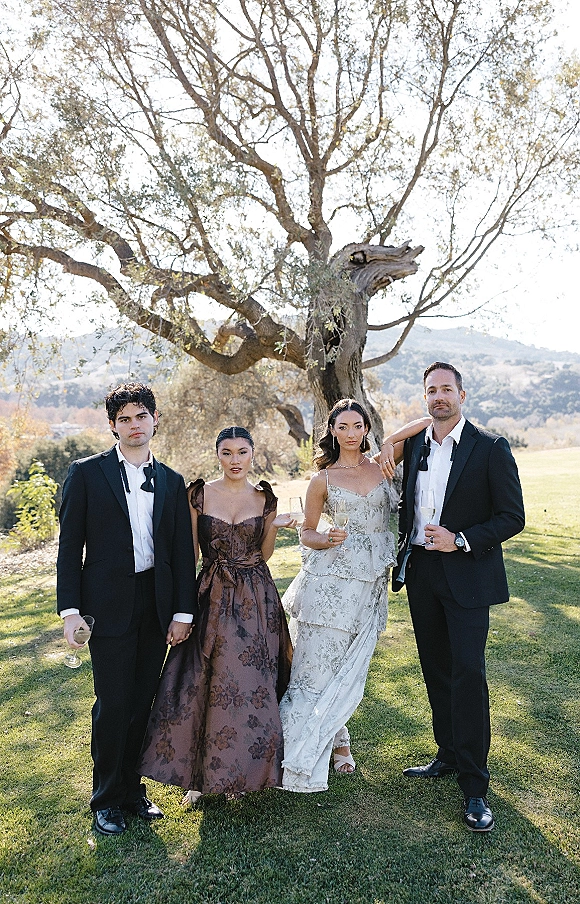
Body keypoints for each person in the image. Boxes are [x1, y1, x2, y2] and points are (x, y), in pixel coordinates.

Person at [379, 362, 525, 833]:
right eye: (431, 391)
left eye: (446, 389)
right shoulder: (417, 443)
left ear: (463, 394)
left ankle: (476, 788)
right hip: (422, 573)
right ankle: (446, 754)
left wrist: (460, 538)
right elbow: (389, 445)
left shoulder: (490, 448)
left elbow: (512, 517)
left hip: (466, 576)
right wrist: (387, 444)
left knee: (468, 674)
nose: (439, 397)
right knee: (436, 669)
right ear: (425, 398)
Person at [57, 382, 196, 836]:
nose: (134, 426)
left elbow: (180, 554)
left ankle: (134, 792)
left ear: (155, 419)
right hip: (106, 607)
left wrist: (183, 612)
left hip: (155, 606)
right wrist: (70, 611)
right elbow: (68, 551)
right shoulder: (86, 474)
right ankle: (107, 799)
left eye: (141, 416)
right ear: (112, 426)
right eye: (125, 419)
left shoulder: (173, 482)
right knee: (113, 705)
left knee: (142, 703)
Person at [138, 426, 294, 800]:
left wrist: (273, 526)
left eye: (242, 452)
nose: (235, 460)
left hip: (257, 599)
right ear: (217, 455)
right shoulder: (199, 495)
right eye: (227, 453)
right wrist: (182, 606)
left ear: (252, 454)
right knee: (204, 679)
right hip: (210, 593)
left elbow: (264, 555)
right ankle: (200, 776)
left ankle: (240, 773)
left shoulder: (265, 499)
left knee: (249, 684)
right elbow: (190, 555)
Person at [279, 399, 420, 793]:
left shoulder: (383, 465)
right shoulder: (322, 479)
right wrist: (323, 539)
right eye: (343, 426)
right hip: (328, 585)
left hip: (370, 584)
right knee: (316, 666)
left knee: (348, 663)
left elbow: (427, 419)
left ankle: (337, 736)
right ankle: (317, 744)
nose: (352, 433)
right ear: (332, 431)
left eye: (358, 425)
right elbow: (306, 532)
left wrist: (389, 439)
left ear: (366, 428)